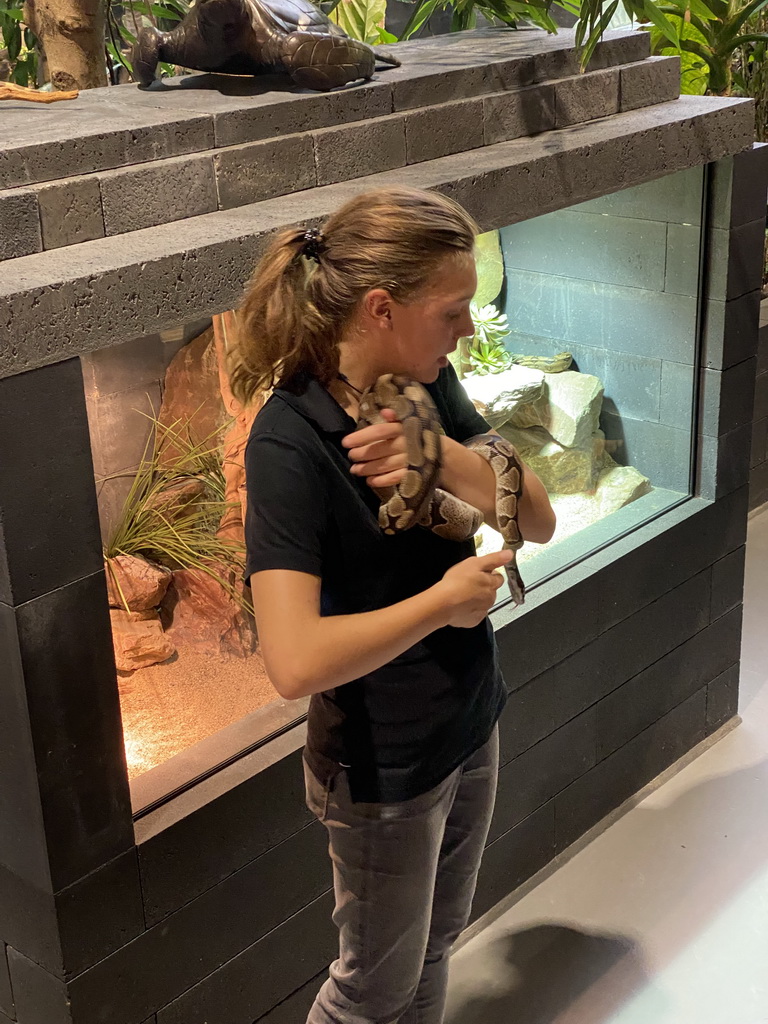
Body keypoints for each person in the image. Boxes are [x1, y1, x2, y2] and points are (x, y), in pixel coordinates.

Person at [230, 186, 556, 1024]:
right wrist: (441, 603)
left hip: (468, 721)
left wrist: (437, 452)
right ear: (381, 307)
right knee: (369, 991)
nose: (467, 332)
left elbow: (541, 518)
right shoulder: (289, 442)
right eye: (453, 312)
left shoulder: (425, 384)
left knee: (433, 952)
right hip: (382, 769)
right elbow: (293, 662)